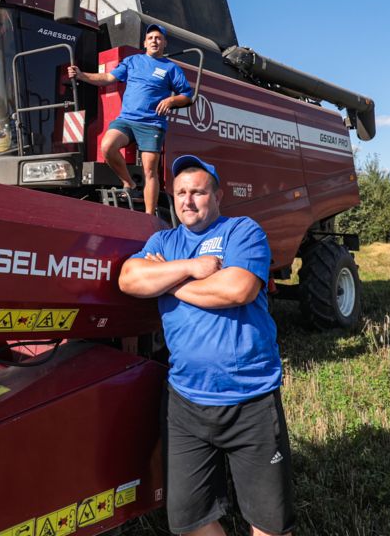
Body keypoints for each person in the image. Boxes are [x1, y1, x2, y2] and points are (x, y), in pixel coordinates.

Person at [118, 155, 294, 536]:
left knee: (270, 523)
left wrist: (166, 280)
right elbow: (130, 279)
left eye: (198, 192)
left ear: (218, 196)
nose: (187, 200)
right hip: (186, 401)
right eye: (180, 192)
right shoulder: (163, 240)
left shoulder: (242, 232)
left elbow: (237, 289)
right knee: (189, 520)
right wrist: (190, 268)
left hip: (249, 397)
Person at [67, 24, 192, 215]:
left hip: (152, 124)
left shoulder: (171, 68)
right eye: (150, 38)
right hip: (127, 120)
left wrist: (172, 99)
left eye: (158, 38)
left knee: (150, 171)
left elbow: (187, 96)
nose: (154, 41)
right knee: (108, 146)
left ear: (164, 43)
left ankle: (149, 218)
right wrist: (82, 75)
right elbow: (108, 77)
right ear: (144, 43)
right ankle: (129, 182)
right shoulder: (133, 61)